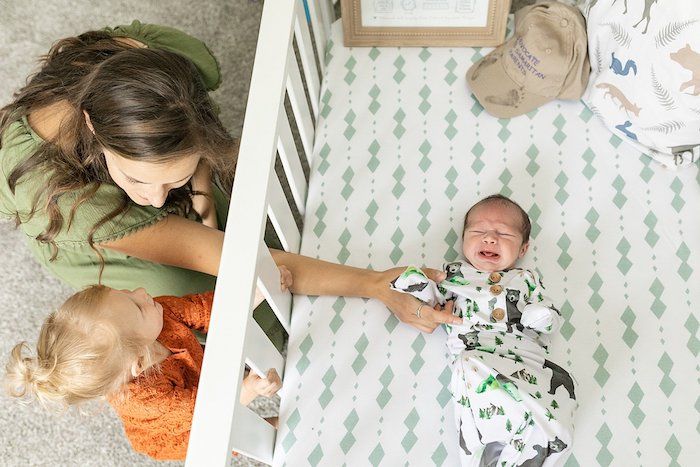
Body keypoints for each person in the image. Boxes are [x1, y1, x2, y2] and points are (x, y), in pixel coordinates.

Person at [0, 21, 460, 338]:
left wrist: (199, 189)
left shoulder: (146, 62)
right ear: (95, 127)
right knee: (186, 307)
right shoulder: (63, 199)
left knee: (218, 206)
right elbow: (241, 260)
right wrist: (372, 283)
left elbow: (200, 100)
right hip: (85, 231)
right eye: (139, 181)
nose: (156, 202)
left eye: (170, 180)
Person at [4, 267, 292, 461]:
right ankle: (265, 431)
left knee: (218, 378)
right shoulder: (147, 400)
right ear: (140, 360)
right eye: (136, 305)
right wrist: (249, 389)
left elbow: (205, 310)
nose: (141, 292)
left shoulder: (155, 312)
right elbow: (207, 412)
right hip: (178, 428)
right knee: (226, 436)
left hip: (193, 381)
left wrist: (256, 293)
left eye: (125, 292)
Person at [391, 194, 576, 466]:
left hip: (525, 362)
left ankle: (530, 443)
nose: (490, 238)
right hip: (475, 366)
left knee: (555, 421)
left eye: (503, 233)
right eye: (478, 231)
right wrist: (416, 283)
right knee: (474, 403)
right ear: (464, 240)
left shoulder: (527, 280)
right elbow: (430, 301)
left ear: (523, 249)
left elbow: (551, 319)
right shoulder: (453, 276)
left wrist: (540, 317)